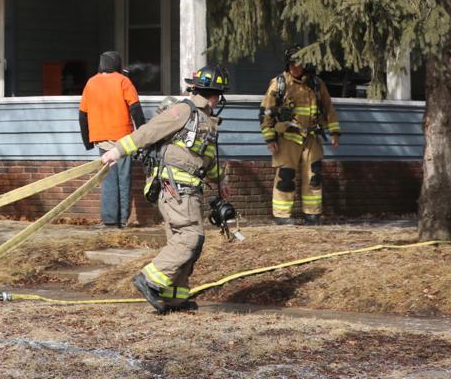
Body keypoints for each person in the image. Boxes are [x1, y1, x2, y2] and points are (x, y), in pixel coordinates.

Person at [100, 65, 230, 313]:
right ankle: (150, 278)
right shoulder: (184, 110)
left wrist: (221, 180)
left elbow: (206, 157)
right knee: (190, 237)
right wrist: (117, 151)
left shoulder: (204, 120)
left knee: (182, 241)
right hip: (175, 188)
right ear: (215, 94)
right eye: (219, 95)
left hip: (188, 190)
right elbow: (150, 131)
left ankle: (174, 296)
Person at [259, 46, 341, 225]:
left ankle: (312, 214)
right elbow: (266, 112)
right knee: (286, 177)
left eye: (298, 64)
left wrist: (334, 132)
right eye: (292, 64)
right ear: (287, 64)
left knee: (314, 176)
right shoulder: (280, 83)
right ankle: (281, 215)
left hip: (311, 138)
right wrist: (270, 138)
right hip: (288, 138)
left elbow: (329, 108)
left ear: (305, 64)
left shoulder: (316, 84)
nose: (295, 67)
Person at [78, 50, 145, 228]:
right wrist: (143, 134)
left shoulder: (90, 83)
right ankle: (122, 220)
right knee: (124, 179)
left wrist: (87, 141)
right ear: (117, 64)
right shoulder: (123, 81)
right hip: (124, 140)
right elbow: (136, 109)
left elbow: (82, 115)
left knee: (107, 179)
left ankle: (109, 220)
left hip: (102, 139)